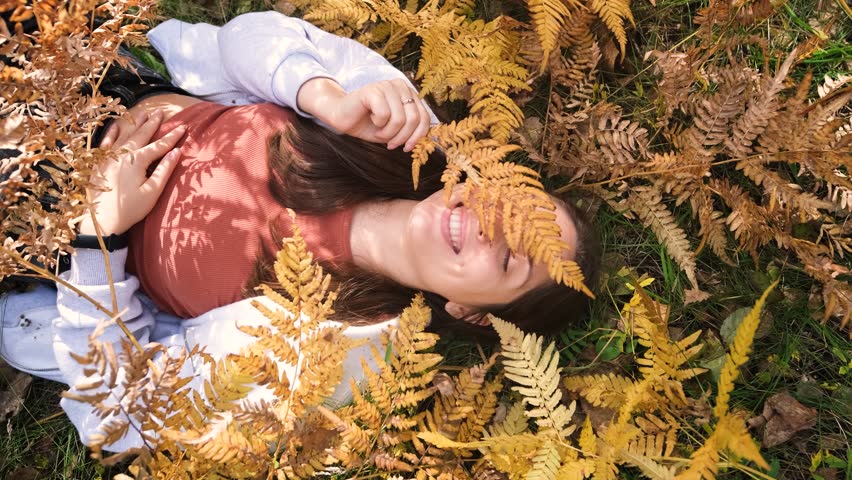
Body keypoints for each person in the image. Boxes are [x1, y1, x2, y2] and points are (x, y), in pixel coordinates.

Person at [0, 11, 600, 450]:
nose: (492, 228)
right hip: (84, 73)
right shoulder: (408, 133)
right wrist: (322, 95)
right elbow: (246, 40)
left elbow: (127, 412)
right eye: (514, 210)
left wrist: (97, 238)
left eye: (508, 261)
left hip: (32, 212)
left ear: (470, 312)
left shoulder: (333, 347)